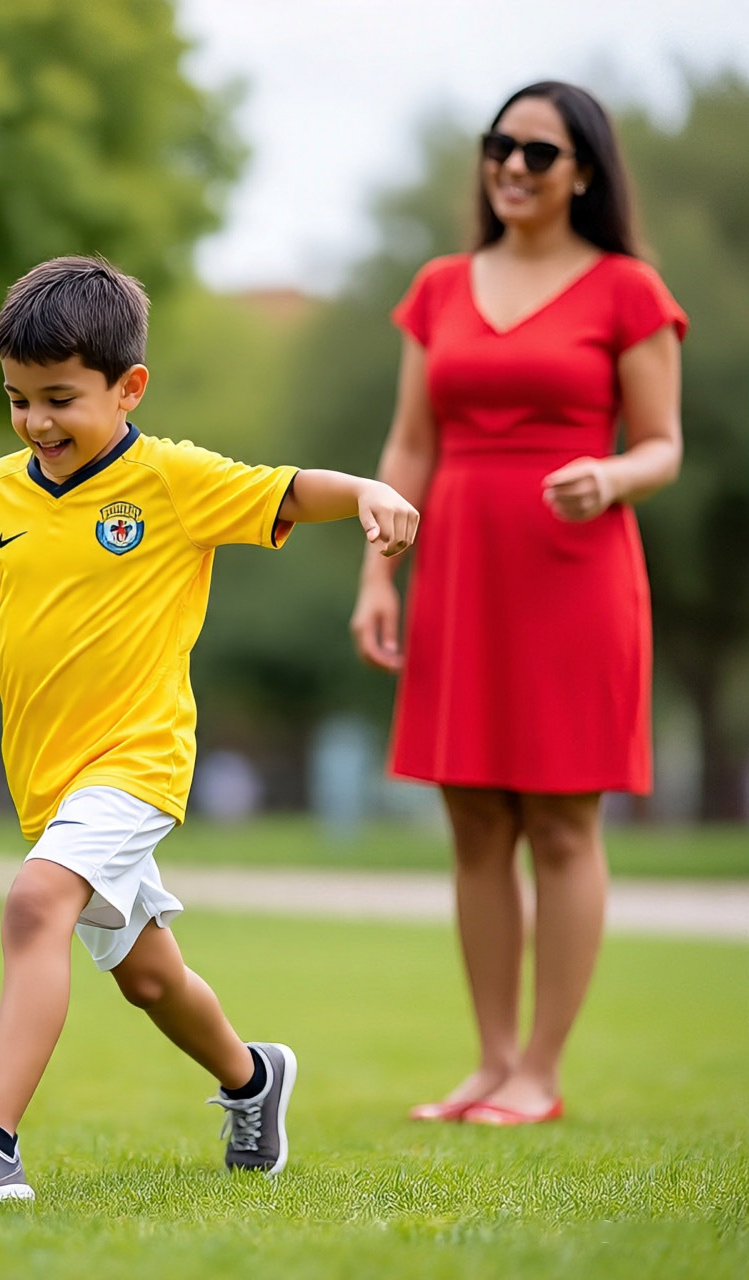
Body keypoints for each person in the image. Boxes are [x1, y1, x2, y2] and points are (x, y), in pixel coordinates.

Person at [0, 255, 419, 1201]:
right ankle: (251, 1077)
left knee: (34, 905)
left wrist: (367, 490)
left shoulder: (171, 479)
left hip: (137, 763)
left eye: (60, 399)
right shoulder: (1, 488)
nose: (37, 422)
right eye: (18, 400)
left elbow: (287, 491)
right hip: (49, 780)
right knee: (149, 979)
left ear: (129, 389)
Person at [350, 82, 685, 1125]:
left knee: (563, 820)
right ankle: (492, 1061)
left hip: (575, 570)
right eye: (499, 145)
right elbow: (409, 443)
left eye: (538, 152)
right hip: (459, 567)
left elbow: (663, 445)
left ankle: (541, 1068)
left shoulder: (627, 289)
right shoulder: (439, 286)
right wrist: (376, 574)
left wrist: (611, 476)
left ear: (583, 172)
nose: (510, 166)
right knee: (472, 817)